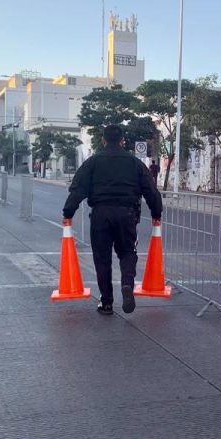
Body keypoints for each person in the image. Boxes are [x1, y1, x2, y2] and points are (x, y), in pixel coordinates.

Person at [62, 125, 162, 315]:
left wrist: (68, 212)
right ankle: (127, 284)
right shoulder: (135, 163)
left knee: (102, 258)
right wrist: (157, 213)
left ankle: (106, 302)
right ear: (123, 140)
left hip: (100, 214)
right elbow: (150, 189)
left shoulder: (93, 162)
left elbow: (78, 188)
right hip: (127, 214)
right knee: (127, 252)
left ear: (103, 140)